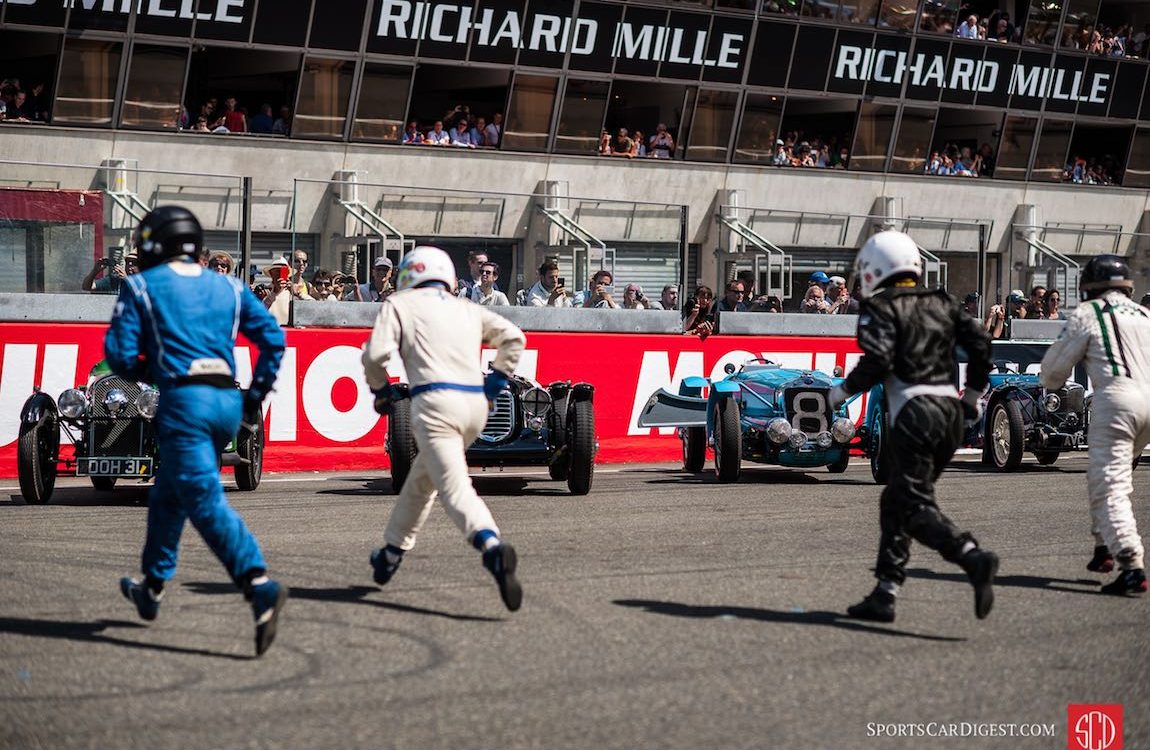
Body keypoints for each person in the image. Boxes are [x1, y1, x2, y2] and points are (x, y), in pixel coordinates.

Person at [104, 206, 287, 656]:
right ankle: (151, 585)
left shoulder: (140, 285)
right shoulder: (229, 284)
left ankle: (258, 582)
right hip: (227, 399)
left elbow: (121, 357)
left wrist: (153, 368)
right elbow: (273, 339)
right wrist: (256, 394)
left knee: (202, 499)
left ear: (154, 244)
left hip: (184, 399)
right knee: (169, 492)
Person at [828, 230, 999, 623]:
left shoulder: (879, 307)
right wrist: (972, 397)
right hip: (949, 412)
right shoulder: (943, 302)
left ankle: (971, 556)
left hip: (914, 413)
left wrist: (843, 391)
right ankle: (886, 591)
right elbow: (982, 344)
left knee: (913, 504)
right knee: (897, 500)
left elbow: (879, 360)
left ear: (874, 268)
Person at [362, 246, 526, 610]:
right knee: (423, 481)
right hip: (475, 408)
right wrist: (495, 383)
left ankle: (492, 548)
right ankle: (391, 551)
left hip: (434, 403)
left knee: (454, 488)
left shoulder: (400, 305)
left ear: (408, 275)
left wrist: (382, 391)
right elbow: (514, 338)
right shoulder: (466, 308)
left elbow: (374, 355)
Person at [1040, 255, 1150, 595]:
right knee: (1113, 478)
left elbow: (1054, 371)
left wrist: (1051, 380)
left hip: (1117, 400)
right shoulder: (1146, 315)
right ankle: (1103, 546)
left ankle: (1131, 566)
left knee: (1110, 485)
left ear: (1089, 287)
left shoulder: (1088, 313)